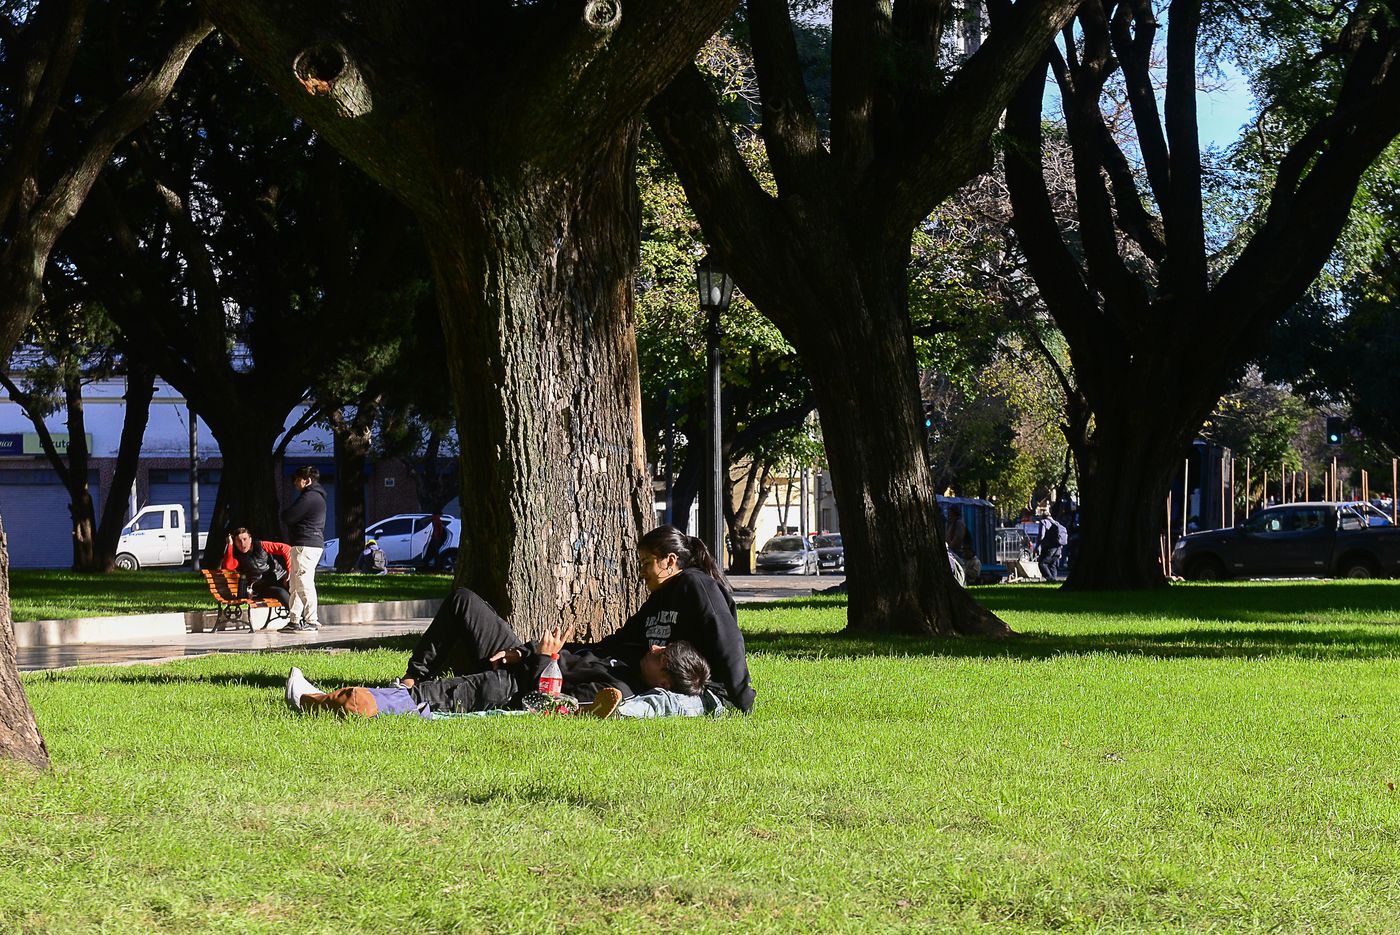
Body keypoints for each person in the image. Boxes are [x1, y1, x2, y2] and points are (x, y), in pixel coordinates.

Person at [402, 524, 756, 715]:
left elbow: (727, 639)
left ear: (670, 561)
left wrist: (740, 698)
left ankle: (408, 697)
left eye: (647, 563)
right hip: (539, 664)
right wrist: (527, 651)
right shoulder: (657, 600)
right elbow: (611, 644)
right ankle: (413, 678)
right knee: (464, 600)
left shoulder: (697, 586)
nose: (642, 573)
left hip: (540, 682)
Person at [283, 626, 713, 719]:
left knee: (429, 699)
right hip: (513, 666)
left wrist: (543, 659)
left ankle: (327, 701)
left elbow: (553, 699)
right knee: (465, 603)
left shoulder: (620, 685)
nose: (655, 647)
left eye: (663, 654)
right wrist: (525, 650)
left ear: (663, 679)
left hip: (508, 687)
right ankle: (382, 693)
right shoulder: (627, 658)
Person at [280, 465, 327, 632]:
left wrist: (286, 515)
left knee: (303, 583)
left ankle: (311, 620)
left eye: (297, 479)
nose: (294, 483)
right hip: (306, 544)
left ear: (307, 480)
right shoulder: (316, 496)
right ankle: (294, 620)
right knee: (296, 584)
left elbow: (288, 516)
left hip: (305, 545)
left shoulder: (309, 497)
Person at [221, 528, 293, 629]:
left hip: (279, 577)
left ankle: (308, 620)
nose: (242, 543)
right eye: (239, 541)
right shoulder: (237, 556)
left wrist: (289, 572)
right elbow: (228, 566)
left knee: (297, 585)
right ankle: (297, 620)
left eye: (245, 539)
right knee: (280, 592)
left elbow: (286, 548)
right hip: (262, 586)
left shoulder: (261, 545)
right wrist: (230, 545)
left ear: (250, 539)